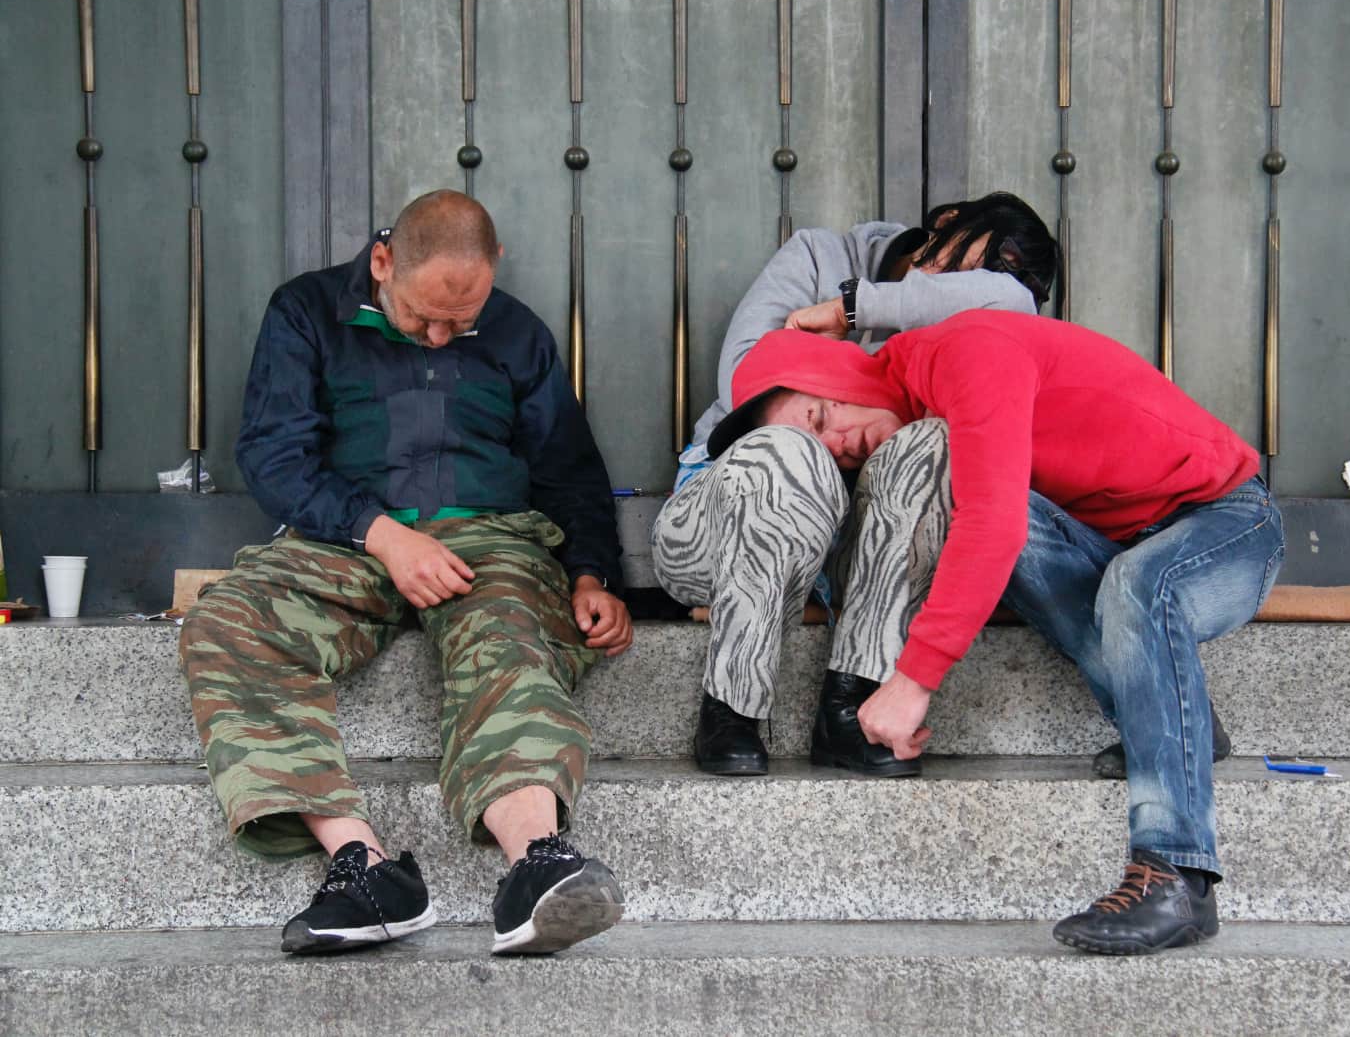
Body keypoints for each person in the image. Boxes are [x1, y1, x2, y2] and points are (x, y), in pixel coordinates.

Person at [704, 310, 1284, 955]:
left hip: (1224, 520)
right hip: (1110, 545)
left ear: (837, 373)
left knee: (1125, 581)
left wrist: (913, 681)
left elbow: (996, 522)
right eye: (817, 445)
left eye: (819, 418)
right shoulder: (920, 430)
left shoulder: (968, 352)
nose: (835, 442)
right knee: (995, 526)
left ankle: (1178, 875)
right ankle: (1182, 719)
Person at [180, 190, 633, 957]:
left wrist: (590, 574)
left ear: (493, 270)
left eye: (460, 324)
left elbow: (569, 470)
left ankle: (536, 863)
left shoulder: (517, 332)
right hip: (348, 539)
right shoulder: (306, 312)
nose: (437, 336)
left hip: (489, 542)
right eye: (423, 316)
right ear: (383, 262)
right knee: (228, 620)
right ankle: (364, 866)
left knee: (515, 633)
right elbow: (273, 455)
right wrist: (381, 533)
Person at [653, 192, 1059, 778]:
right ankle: (731, 710)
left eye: (972, 288)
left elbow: (1015, 307)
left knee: (931, 444)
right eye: (967, 265)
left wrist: (854, 312)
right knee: (792, 446)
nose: (954, 294)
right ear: (945, 226)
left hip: (860, 541)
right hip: (735, 510)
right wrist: (852, 395)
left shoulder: (992, 307)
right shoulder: (818, 256)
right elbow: (749, 373)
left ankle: (851, 707)